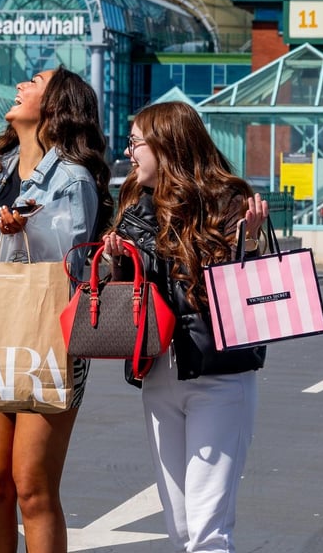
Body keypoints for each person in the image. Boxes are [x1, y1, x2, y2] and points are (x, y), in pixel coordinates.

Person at [101, 101, 269, 553]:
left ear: (167, 144)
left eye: (136, 142)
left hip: (218, 374)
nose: (129, 151)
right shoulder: (137, 210)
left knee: (208, 531)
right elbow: (132, 299)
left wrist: (248, 243)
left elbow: (247, 296)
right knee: (179, 527)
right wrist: (118, 261)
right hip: (158, 376)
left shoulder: (228, 202)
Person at [0, 67, 113, 553]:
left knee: (31, 486)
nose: (22, 84)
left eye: (36, 81)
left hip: (50, 340)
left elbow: (66, 271)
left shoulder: (72, 179)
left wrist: (22, 237)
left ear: (55, 105)